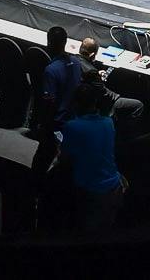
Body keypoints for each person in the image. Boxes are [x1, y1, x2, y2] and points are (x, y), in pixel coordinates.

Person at [55, 80, 125, 228]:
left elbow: (64, 160)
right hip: (115, 186)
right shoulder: (108, 122)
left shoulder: (72, 127)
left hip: (91, 192)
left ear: (75, 104)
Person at [32, 26, 87, 174]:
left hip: (56, 125)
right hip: (73, 121)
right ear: (65, 42)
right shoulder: (76, 63)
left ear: (49, 43)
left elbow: (48, 102)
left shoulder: (51, 70)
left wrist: (43, 125)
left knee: (40, 163)